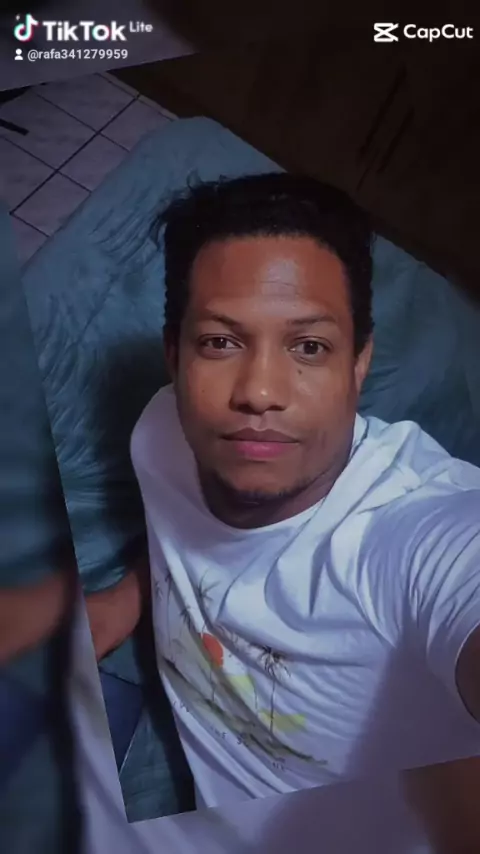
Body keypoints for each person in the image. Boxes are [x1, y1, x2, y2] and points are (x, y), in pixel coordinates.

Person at [91, 173, 480, 813]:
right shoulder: (162, 430)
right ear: (174, 357)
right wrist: (125, 598)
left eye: (309, 346)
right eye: (220, 342)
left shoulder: (416, 533)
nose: (260, 392)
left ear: (358, 364)